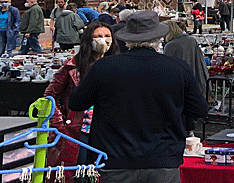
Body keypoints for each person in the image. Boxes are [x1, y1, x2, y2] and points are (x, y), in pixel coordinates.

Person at [69, 11, 208, 182]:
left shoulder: (104, 67)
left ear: (128, 39)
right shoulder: (178, 67)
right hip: (163, 159)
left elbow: (76, 102)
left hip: (116, 159)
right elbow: (200, 109)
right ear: (158, 39)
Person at [44, 21, 118, 180]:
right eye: (98, 36)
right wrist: (59, 123)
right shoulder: (72, 65)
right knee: (78, 174)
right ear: (88, 40)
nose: (103, 40)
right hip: (80, 130)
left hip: (109, 130)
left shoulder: (118, 65)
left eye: (107, 36)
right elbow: (50, 95)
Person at [163, 20, 209, 95]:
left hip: (179, 86)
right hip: (194, 82)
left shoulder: (170, 45)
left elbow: (166, 69)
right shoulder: (191, 40)